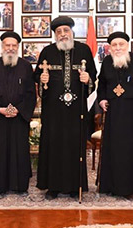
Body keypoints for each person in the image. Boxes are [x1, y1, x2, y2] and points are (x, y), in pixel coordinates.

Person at [33, 16, 97, 200]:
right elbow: (37, 75)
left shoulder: (84, 50)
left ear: (72, 32)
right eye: (58, 32)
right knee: (53, 145)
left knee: (74, 145)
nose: (62, 35)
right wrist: (41, 80)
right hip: (53, 109)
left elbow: (93, 75)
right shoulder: (47, 52)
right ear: (55, 34)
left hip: (76, 110)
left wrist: (88, 80)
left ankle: (73, 185)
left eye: (65, 31)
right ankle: (52, 187)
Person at [97, 32, 133, 200]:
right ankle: (109, 184)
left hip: (132, 111)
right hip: (112, 111)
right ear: (110, 48)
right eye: (114, 45)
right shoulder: (107, 62)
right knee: (112, 147)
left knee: (130, 148)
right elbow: (102, 84)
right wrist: (102, 100)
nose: (118, 48)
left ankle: (130, 186)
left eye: (121, 44)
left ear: (127, 45)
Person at [0, 32, 36, 198]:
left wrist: (19, 110)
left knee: (20, 151)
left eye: (14, 45)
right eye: (8, 45)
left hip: (19, 118)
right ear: (2, 46)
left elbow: (30, 93)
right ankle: (1, 188)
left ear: (18, 47)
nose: (11, 48)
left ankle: (21, 186)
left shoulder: (26, 66)